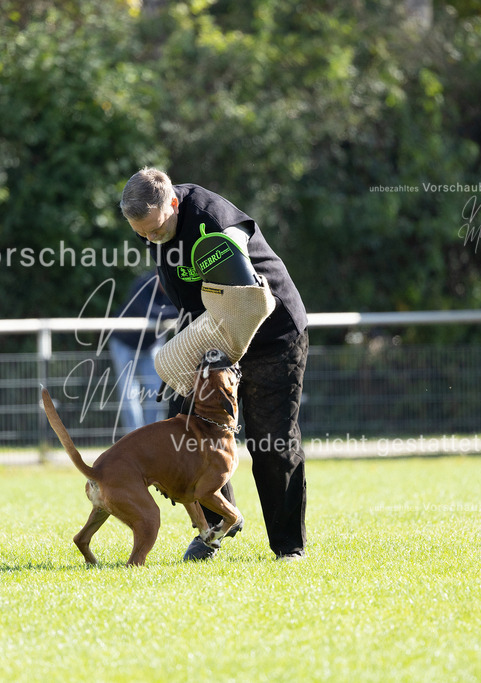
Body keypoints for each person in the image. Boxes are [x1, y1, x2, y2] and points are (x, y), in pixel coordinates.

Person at [119, 167, 308, 562]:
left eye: (154, 230)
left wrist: (232, 250)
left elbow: (237, 244)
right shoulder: (156, 224)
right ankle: (216, 527)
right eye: (142, 234)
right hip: (213, 332)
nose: (149, 238)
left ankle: (289, 547)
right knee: (183, 433)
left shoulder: (210, 216)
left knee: (270, 439)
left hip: (271, 332)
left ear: (172, 203)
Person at [108, 271, 175, 436]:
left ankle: (152, 436)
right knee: (129, 393)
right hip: (124, 343)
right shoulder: (142, 285)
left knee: (156, 392)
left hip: (150, 346)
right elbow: (153, 313)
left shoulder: (174, 288)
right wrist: (181, 310)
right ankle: (134, 438)